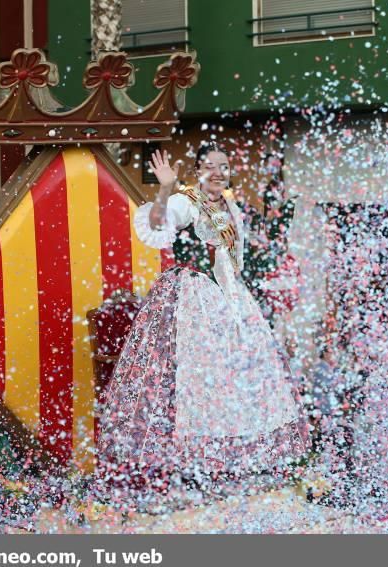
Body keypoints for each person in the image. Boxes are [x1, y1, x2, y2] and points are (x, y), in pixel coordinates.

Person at [95, 145, 305, 513]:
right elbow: (159, 223)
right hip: (193, 298)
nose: (218, 172)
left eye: (224, 166)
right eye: (210, 167)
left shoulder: (231, 209)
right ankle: (185, 469)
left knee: (231, 379)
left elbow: (234, 263)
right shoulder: (186, 202)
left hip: (228, 299)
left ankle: (221, 465)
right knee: (190, 380)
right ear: (198, 170)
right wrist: (163, 188)